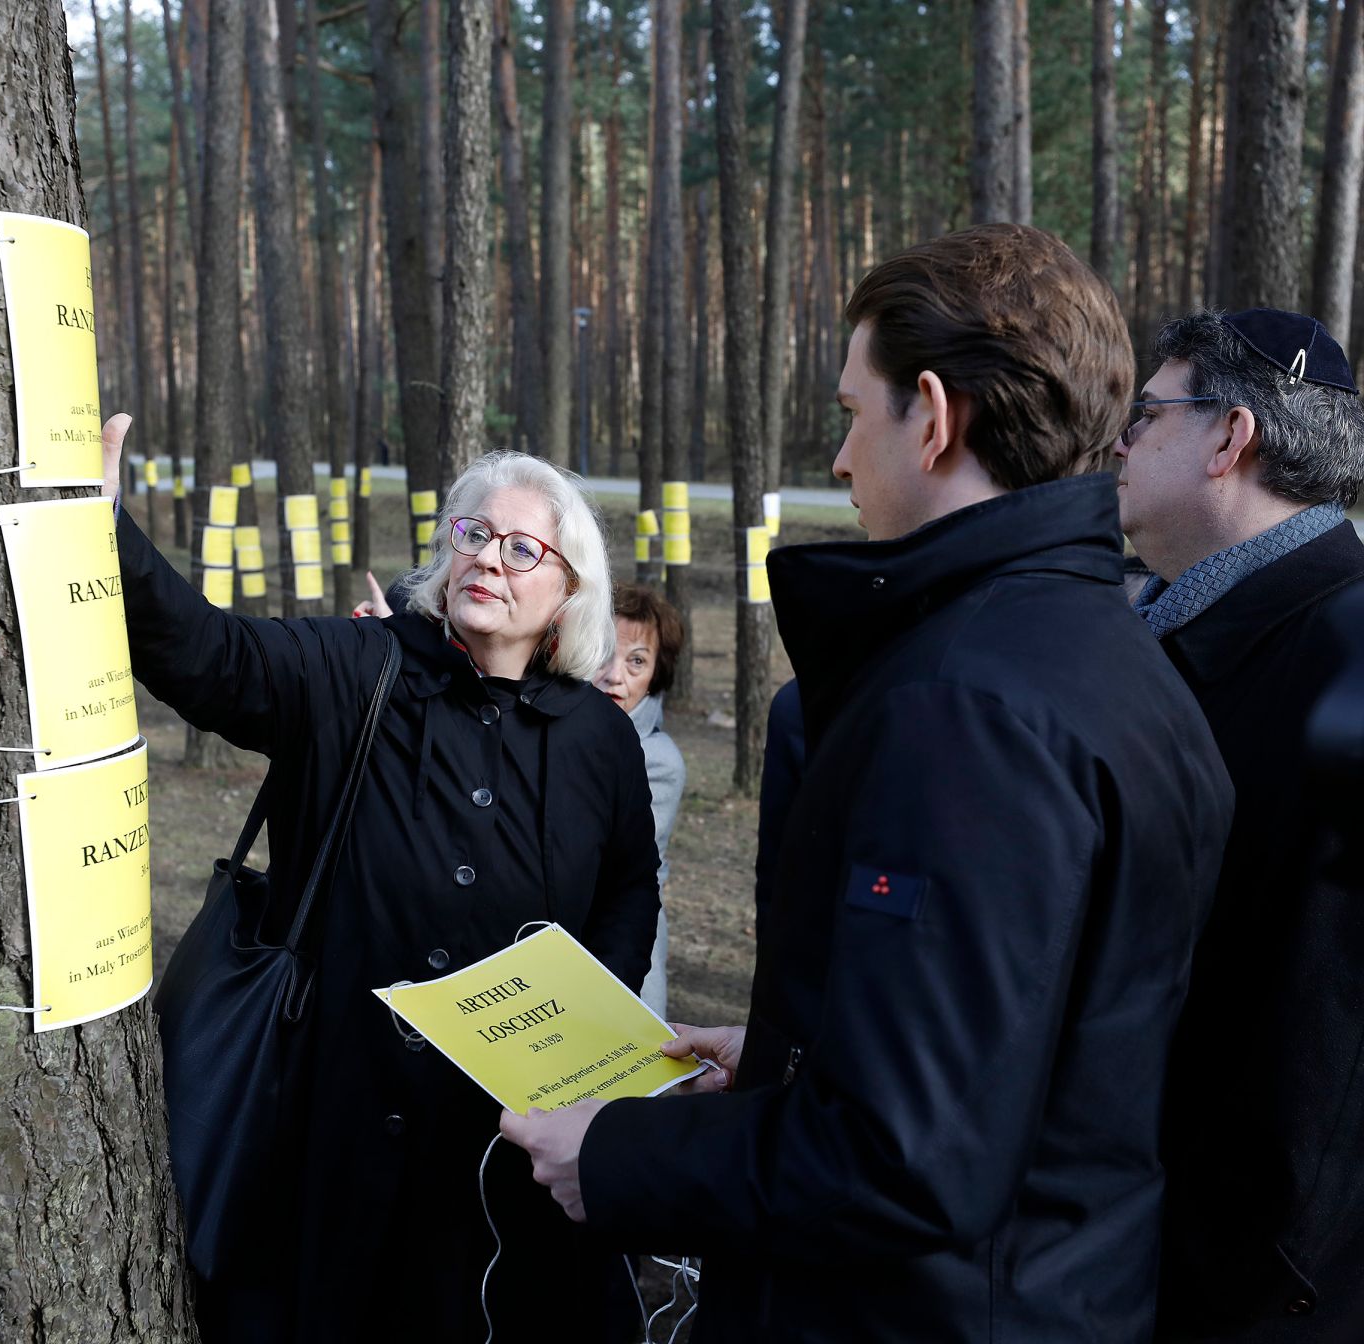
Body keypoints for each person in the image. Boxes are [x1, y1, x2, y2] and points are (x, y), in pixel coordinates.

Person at [500, 224, 1235, 1341]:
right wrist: (806, 1050)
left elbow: (905, 1158)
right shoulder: (1109, 657)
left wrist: (610, 1152)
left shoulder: (966, 706)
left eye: (851, 412)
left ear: (932, 418)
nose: (840, 460)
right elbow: (1040, 1036)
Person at [104, 429, 659, 1343]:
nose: (489, 558)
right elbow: (211, 657)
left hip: (510, 1144)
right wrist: (105, 529)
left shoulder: (596, 737)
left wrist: (583, 1035)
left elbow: (630, 888)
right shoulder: (361, 670)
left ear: (568, 591)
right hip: (337, 1122)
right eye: (473, 533)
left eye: (523, 548)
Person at [1115, 308, 1364, 1341]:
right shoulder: (1186, 631)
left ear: (1227, 439)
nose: (1119, 440)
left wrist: (1256, 1271)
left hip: (1253, 1282)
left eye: (1145, 414)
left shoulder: (1338, 659)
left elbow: (1321, 1029)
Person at [592, 584, 686, 1019]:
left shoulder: (657, 761)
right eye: (604, 650)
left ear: (655, 677)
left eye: (636, 662)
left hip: (616, 953)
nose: (615, 675)